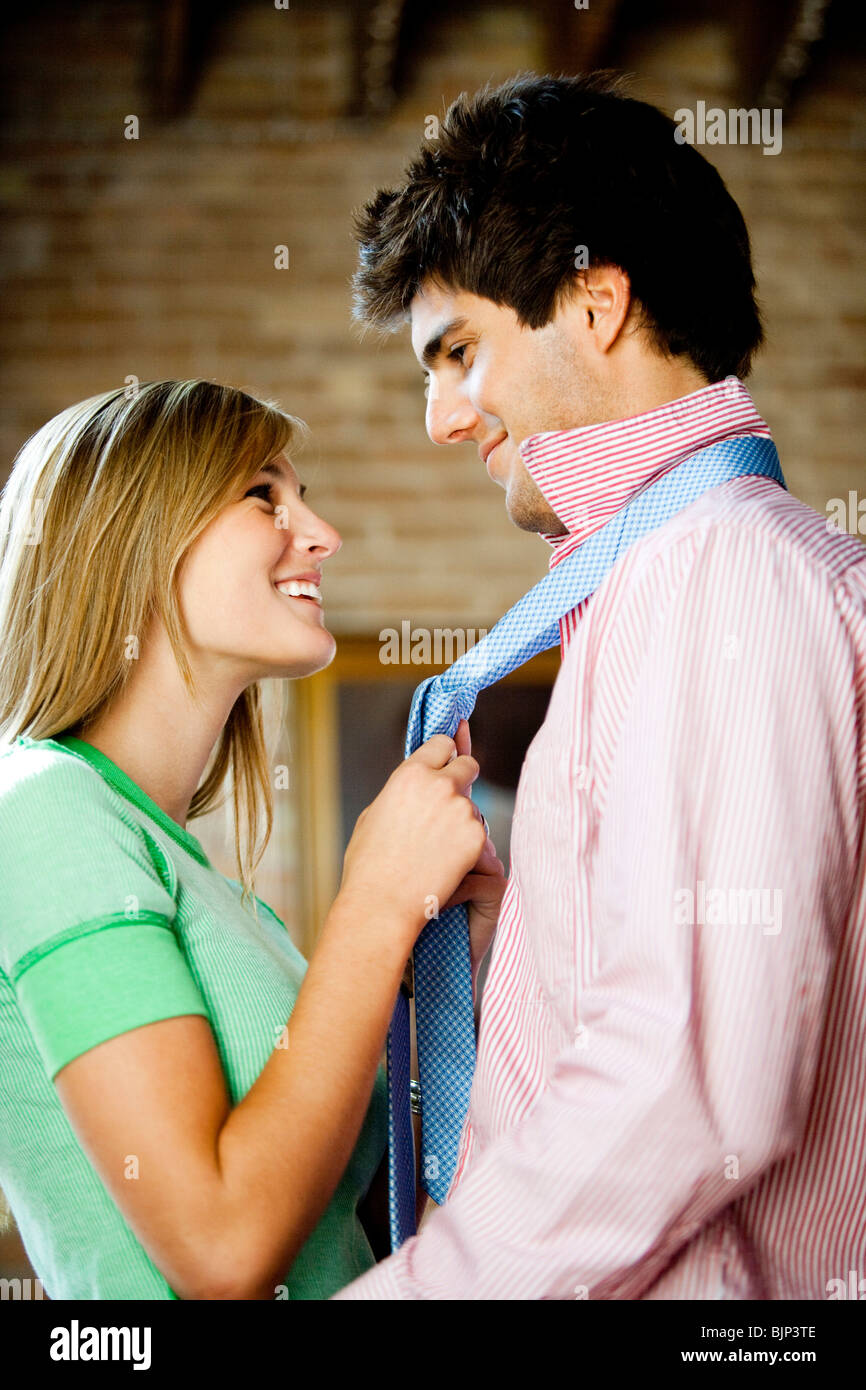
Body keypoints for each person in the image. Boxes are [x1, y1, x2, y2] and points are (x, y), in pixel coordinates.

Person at [333, 71, 866, 1299]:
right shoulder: (656, 586)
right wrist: (507, 947)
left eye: (457, 351)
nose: (439, 418)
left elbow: (686, 1080)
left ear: (594, 300)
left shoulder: (722, 580)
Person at [0, 378, 505, 1300]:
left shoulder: (209, 885)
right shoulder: (41, 810)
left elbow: (343, 1217)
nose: (320, 535)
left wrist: (442, 965)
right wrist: (376, 904)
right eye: (262, 495)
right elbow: (224, 1250)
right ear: (135, 534)